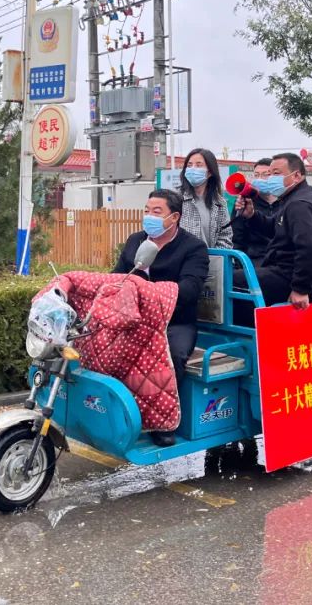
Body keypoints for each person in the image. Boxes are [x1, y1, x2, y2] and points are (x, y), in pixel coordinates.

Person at [114, 189, 210, 446]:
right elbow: (117, 276)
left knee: (172, 355)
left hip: (175, 320)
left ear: (174, 217)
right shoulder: (135, 241)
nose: (149, 216)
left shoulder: (193, 247)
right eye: (147, 211)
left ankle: (163, 421)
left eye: (157, 212)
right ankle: (119, 412)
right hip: (135, 318)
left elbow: (190, 289)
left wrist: (150, 294)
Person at [233, 153, 312, 323]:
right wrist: (251, 215)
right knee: (243, 275)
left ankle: (250, 332)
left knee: (233, 280)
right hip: (296, 271)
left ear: (296, 176)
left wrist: (301, 289)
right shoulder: (297, 197)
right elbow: (276, 228)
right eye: (270, 174)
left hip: (307, 278)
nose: (270, 179)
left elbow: (309, 249)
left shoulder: (299, 205)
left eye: (276, 173)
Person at [178, 147, 233, 250]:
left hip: (210, 259)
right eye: (189, 165)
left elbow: (225, 237)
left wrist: (213, 256)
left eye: (198, 165)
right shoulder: (177, 199)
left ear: (210, 172)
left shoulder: (219, 203)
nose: (193, 169)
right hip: (181, 258)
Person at [232, 157, 275, 265]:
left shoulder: (286, 202)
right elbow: (237, 238)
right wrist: (240, 265)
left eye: (265, 175)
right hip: (253, 262)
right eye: (256, 175)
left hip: (280, 262)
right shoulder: (245, 203)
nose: (260, 179)